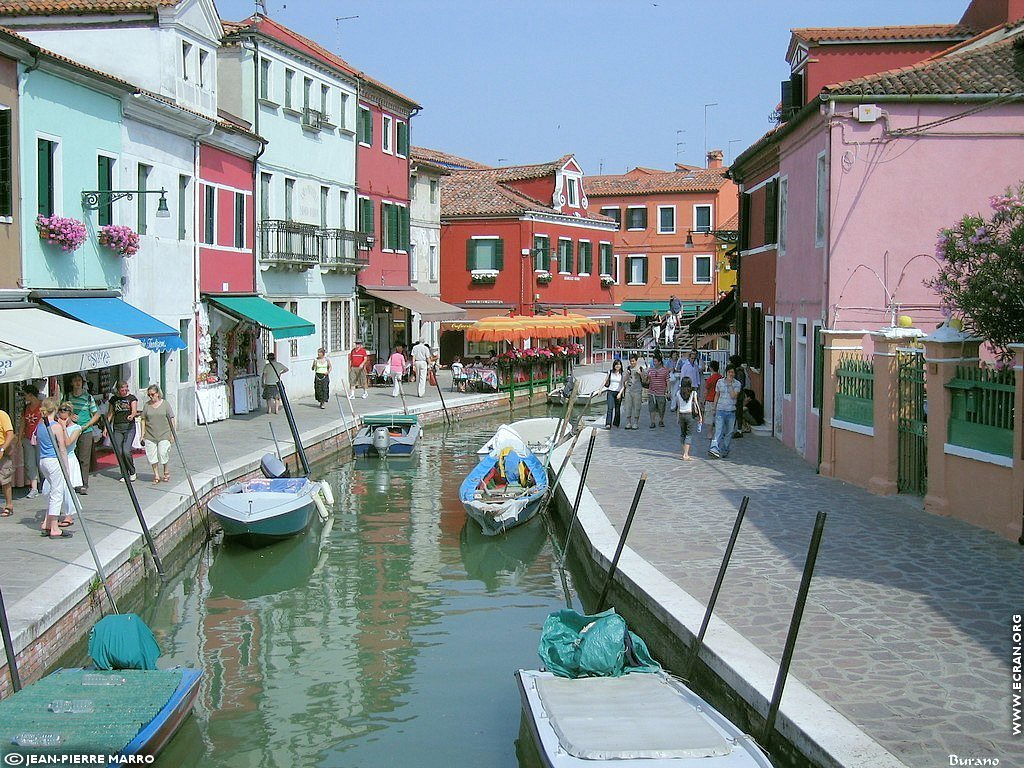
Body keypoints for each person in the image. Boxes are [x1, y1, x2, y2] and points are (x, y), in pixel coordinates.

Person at [42, 403, 83, 528]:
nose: (63, 419)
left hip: (69, 459)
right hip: (56, 459)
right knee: (47, 488)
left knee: (67, 489)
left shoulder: (76, 428)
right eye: (61, 417)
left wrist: (63, 428)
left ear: (70, 416)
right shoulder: (55, 426)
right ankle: (51, 516)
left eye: (65, 418)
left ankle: (69, 515)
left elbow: (67, 443)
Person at [35, 398, 72, 539]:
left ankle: (47, 523)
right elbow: (62, 449)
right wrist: (66, 468)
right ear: (55, 409)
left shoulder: (40, 425)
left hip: (43, 460)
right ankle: (55, 527)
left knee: (51, 491)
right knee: (57, 493)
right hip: (53, 461)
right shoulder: (55, 426)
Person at [67, 374, 100, 495]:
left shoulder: (88, 397)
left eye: (79, 381)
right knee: (72, 457)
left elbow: (97, 414)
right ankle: (73, 482)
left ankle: (83, 484)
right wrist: (70, 416)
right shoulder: (68, 397)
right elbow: (62, 410)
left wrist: (87, 425)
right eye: (75, 380)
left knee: (84, 459)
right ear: (71, 383)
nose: (77, 383)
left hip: (85, 431)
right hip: (71, 431)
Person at [139, 385, 175, 484]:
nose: (151, 397)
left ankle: (166, 471)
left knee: (163, 452)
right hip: (150, 434)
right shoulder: (147, 405)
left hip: (164, 433)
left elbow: (171, 418)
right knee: (152, 455)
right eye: (149, 395)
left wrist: (172, 433)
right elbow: (143, 419)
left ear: (158, 394)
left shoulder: (165, 404)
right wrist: (142, 434)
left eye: (152, 394)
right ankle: (156, 475)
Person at [106, 380, 138, 482]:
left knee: (126, 450)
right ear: (118, 390)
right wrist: (106, 428)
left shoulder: (131, 398)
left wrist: (132, 415)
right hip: (117, 427)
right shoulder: (114, 399)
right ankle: (124, 473)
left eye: (126, 389)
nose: (124, 392)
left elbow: (134, 411)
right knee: (119, 452)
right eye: (122, 390)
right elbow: (110, 414)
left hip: (129, 427)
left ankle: (132, 471)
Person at [709, 365, 742, 459]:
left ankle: (725, 449)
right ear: (726, 372)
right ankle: (714, 448)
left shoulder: (737, 384)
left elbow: (734, 396)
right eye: (729, 372)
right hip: (720, 409)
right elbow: (717, 395)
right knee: (718, 430)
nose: (731, 374)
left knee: (729, 432)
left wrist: (730, 385)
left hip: (731, 411)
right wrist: (714, 407)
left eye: (733, 372)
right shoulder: (719, 382)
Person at [16, 384, 42, 500]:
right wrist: (19, 438)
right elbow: (23, 423)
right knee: (30, 463)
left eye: (25, 395)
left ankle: (45, 484)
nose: (24, 397)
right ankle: (34, 488)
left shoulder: (42, 406)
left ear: (31, 395)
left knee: (41, 462)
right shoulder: (26, 408)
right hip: (28, 438)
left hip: (40, 438)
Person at [672, 376, 702, 461]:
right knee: (689, 434)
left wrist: (677, 417)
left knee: (683, 433)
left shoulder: (678, 393)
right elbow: (696, 405)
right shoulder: (693, 393)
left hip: (681, 414)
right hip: (689, 415)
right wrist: (700, 416)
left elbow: (678, 407)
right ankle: (686, 454)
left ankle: (684, 452)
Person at [646, 352, 670, 428]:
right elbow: (647, 381)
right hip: (652, 391)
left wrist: (668, 391)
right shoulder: (650, 370)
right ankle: (652, 421)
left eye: (655, 361)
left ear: (659, 362)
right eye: (653, 361)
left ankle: (661, 420)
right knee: (652, 407)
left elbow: (667, 381)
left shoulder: (665, 370)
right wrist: (646, 377)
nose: (654, 363)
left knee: (661, 408)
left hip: (661, 392)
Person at [622, 354, 645, 430]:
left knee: (637, 407)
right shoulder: (627, 368)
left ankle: (635, 423)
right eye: (631, 361)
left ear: (636, 360)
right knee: (628, 406)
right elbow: (623, 380)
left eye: (633, 361)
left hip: (637, 390)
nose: (632, 363)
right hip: (629, 390)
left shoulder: (640, 368)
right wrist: (627, 375)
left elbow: (644, 379)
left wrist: (640, 373)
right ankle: (628, 423)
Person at [602, 359, 625, 429]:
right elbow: (605, 381)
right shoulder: (610, 372)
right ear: (614, 365)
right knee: (610, 408)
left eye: (619, 364)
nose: (617, 366)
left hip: (618, 392)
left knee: (617, 409)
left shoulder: (622, 373)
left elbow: (623, 385)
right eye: (616, 364)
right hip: (610, 391)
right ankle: (608, 423)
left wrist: (620, 393)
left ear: (621, 365)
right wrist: (600, 389)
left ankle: (616, 423)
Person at [0, 404, 13, 518]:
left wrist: (2, 448)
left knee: (4, 479)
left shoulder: (2, 415)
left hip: (2, 450)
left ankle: (9, 505)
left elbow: (10, 434)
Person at [703, 360, 722, 430]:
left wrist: (703, 401)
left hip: (710, 399)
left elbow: (706, 391)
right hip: (719, 400)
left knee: (709, 418)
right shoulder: (721, 378)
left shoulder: (710, 379)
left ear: (710, 368)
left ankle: (710, 433)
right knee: (719, 417)